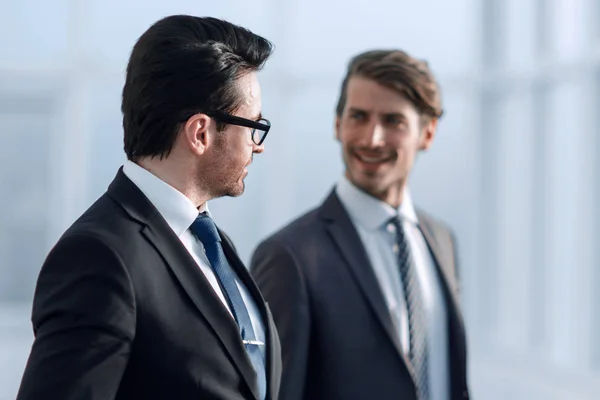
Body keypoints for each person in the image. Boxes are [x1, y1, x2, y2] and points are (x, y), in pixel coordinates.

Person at [17, 15, 280, 400]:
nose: (258, 145)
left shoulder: (211, 243)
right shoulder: (99, 256)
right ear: (201, 133)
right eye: (253, 126)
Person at [250, 49, 469, 400]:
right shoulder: (290, 257)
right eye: (358, 117)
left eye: (393, 121)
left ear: (427, 133)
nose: (372, 139)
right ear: (337, 124)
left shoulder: (442, 241)